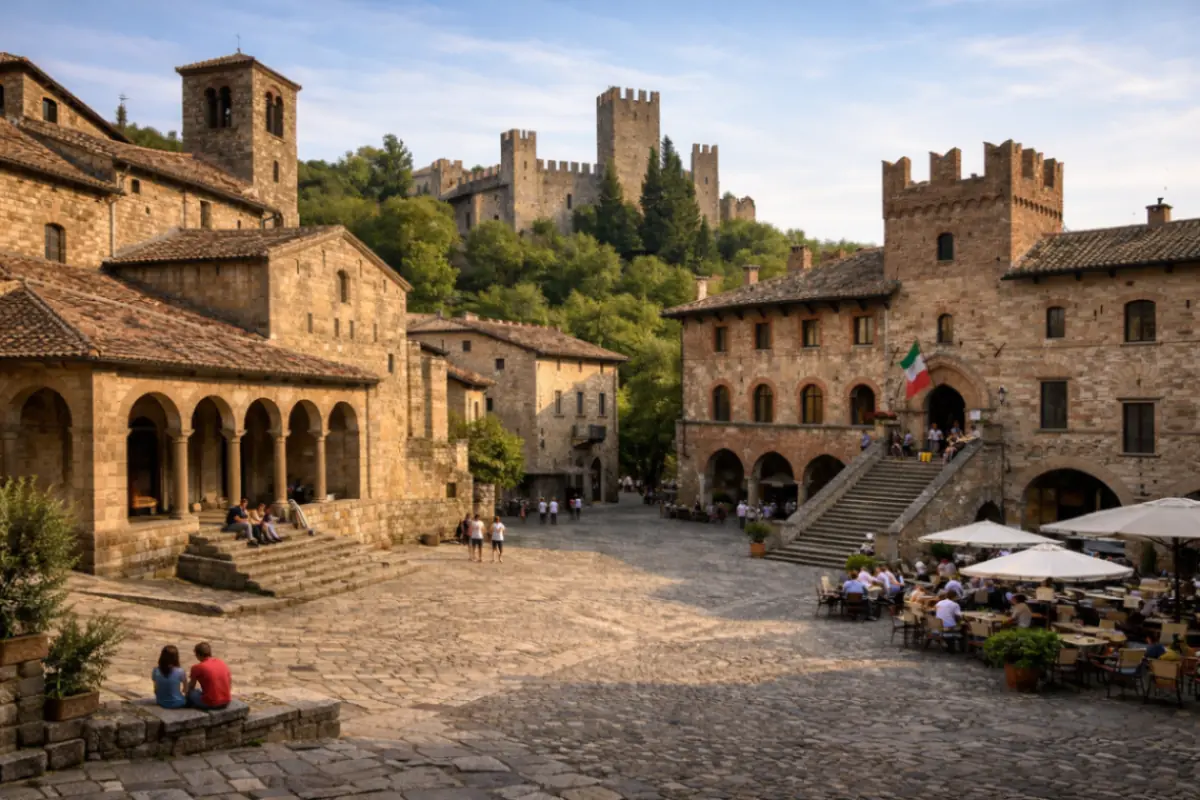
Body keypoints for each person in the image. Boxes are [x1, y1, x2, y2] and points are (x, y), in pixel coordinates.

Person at [187, 642, 231, 711]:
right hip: (226, 701)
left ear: (198, 655)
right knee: (200, 691)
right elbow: (229, 681)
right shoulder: (221, 662)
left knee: (191, 693)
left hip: (212, 703)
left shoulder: (197, 667)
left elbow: (191, 686)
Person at [151, 645, 187, 709]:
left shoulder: (156, 670)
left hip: (161, 701)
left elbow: (155, 689)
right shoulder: (180, 671)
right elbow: (185, 689)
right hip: (178, 702)